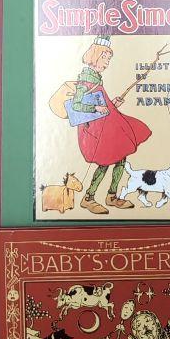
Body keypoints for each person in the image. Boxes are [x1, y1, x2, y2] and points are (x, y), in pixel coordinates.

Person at [68, 35, 151, 215]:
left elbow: (100, 101)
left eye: (108, 58)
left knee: (121, 156)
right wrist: (96, 107)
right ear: (95, 56)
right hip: (95, 129)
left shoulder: (96, 78)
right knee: (105, 161)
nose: (107, 62)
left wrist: (113, 104)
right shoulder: (85, 79)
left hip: (107, 124)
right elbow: (76, 105)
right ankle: (88, 198)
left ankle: (111, 196)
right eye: (104, 57)